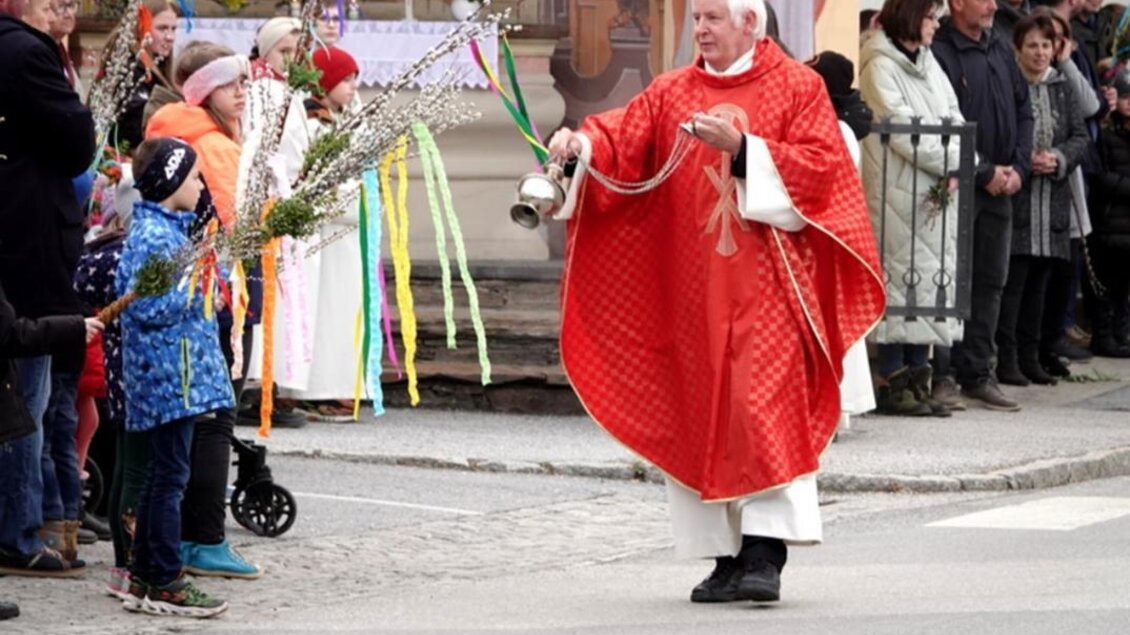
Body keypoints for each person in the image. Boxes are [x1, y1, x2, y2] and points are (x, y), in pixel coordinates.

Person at [545, 0, 884, 604]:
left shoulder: (797, 87)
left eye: (711, 19)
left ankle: (765, 553)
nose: (699, 29)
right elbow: (622, 136)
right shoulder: (673, 91)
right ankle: (725, 558)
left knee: (760, 409)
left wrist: (747, 150)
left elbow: (823, 169)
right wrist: (581, 143)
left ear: (749, 23)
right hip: (692, 286)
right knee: (699, 409)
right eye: (697, 19)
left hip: (770, 285)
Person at [146, 45, 264, 579]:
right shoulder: (214, 146)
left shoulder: (180, 131)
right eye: (229, 83)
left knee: (200, 414)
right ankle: (204, 537)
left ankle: (188, 533)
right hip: (221, 289)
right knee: (218, 414)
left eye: (244, 81)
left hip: (198, 286)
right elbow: (240, 224)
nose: (242, 91)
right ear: (203, 91)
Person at [116, 137, 231, 618]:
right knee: (170, 479)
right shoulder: (156, 238)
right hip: (169, 376)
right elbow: (149, 307)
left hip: (169, 374)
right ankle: (166, 579)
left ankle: (144, 573)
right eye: (194, 177)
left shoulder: (165, 232)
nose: (201, 185)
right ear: (170, 183)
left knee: (161, 475)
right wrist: (201, 291)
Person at [0, 0, 95, 577]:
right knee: (24, 404)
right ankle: (17, 534)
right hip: (26, 242)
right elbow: (77, 140)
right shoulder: (24, 51)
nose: (64, 6)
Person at [860, 0, 965, 417]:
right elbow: (903, 131)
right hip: (897, 190)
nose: (936, 24)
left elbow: (953, 114)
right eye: (930, 16)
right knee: (899, 279)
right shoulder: (879, 64)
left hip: (933, 187)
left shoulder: (928, 61)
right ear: (909, 15)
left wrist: (957, 159)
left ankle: (920, 374)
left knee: (927, 281)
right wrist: (957, 160)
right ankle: (892, 377)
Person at [931, 0, 1033, 411]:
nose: (993, 5)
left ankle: (977, 372)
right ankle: (941, 374)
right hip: (959, 183)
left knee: (990, 281)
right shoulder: (939, 51)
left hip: (1002, 185)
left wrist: (1020, 168)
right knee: (947, 278)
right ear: (957, 3)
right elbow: (943, 124)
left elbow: (1023, 110)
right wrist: (984, 170)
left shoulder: (1000, 47)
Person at [995, 13, 1090, 386]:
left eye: (1046, 45)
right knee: (1013, 283)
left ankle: (1031, 357)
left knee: (1040, 284)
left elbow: (1081, 137)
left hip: (1052, 202)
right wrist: (1023, 160)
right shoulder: (1008, 85)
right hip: (1017, 197)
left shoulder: (1062, 87)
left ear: (1055, 49)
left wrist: (1059, 158)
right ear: (1017, 49)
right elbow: (1000, 132)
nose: (1039, 52)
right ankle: (1006, 359)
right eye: (1032, 45)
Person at [289, 45, 363, 419]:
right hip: (326, 231)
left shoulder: (342, 120)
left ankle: (339, 383)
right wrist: (355, 197)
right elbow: (316, 181)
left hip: (345, 233)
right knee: (325, 311)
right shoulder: (313, 124)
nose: (353, 87)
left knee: (344, 309)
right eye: (345, 79)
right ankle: (319, 387)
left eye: (354, 79)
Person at [1089, 69, 1130, 356]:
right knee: (1106, 281)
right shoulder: (1104, 134)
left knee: (1123, 285)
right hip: (1108, 221)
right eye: (1125, 97)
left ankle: (1120, 333)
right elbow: (1100, 175)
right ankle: (1103, 335)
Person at [104, 0, 180, 152]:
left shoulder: (159, 65)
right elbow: (134, 129)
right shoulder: (128, 70)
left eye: (173, 29)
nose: (170, 37)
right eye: (162, 28)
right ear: (141, 27)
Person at [46, 0, 81, 95]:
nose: (68, 14)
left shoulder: (62, 52)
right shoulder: (41, 53)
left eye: (71, 5)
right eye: (61, 6)